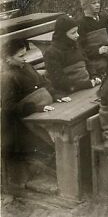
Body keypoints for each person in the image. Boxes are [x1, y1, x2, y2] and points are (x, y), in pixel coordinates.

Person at [1, 39, 63, 184]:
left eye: (25, 54)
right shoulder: (6, 77)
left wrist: (55, 95)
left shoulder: (26, 66)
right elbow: (8, 106)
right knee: (56, 135)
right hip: (21, 122)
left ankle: (58, 161)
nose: (25, 58)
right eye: (20, 56)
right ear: (7, 59)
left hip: (39, 110)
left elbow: (44, 82)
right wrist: (35, 108)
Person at [44, 14, 102, 95]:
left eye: (77, 31)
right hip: (70, 92)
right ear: (63, 35)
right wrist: (86, 84)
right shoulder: (51, 53)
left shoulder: (75, 44)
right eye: (73, 33)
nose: (77, 35)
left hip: (86, 85)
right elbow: (60, 82)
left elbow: (87, 62)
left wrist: (94, 76)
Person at [77, 0, 108, 76]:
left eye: (98, 2)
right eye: (93, 3)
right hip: (94, 58)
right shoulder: (81, 23)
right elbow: (80, 47)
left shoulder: (103, 17)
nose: (97, 5)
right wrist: (97, 51)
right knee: (106, 66)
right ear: (85, 6)